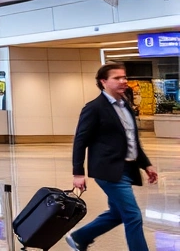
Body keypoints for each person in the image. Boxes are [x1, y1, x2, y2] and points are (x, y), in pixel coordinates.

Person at [67, 63, 157, 251]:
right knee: (133, 215)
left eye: (124, 77)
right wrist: (78, 172)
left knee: (118, 214)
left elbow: (132, 140)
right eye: (117, 78)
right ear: (103, 82)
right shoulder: (94, 108)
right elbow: (80, 141)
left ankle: (79, 237)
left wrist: (146, 165)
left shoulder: (126, 106)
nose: (123, 81)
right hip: (108, 169)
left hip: (127, 168)